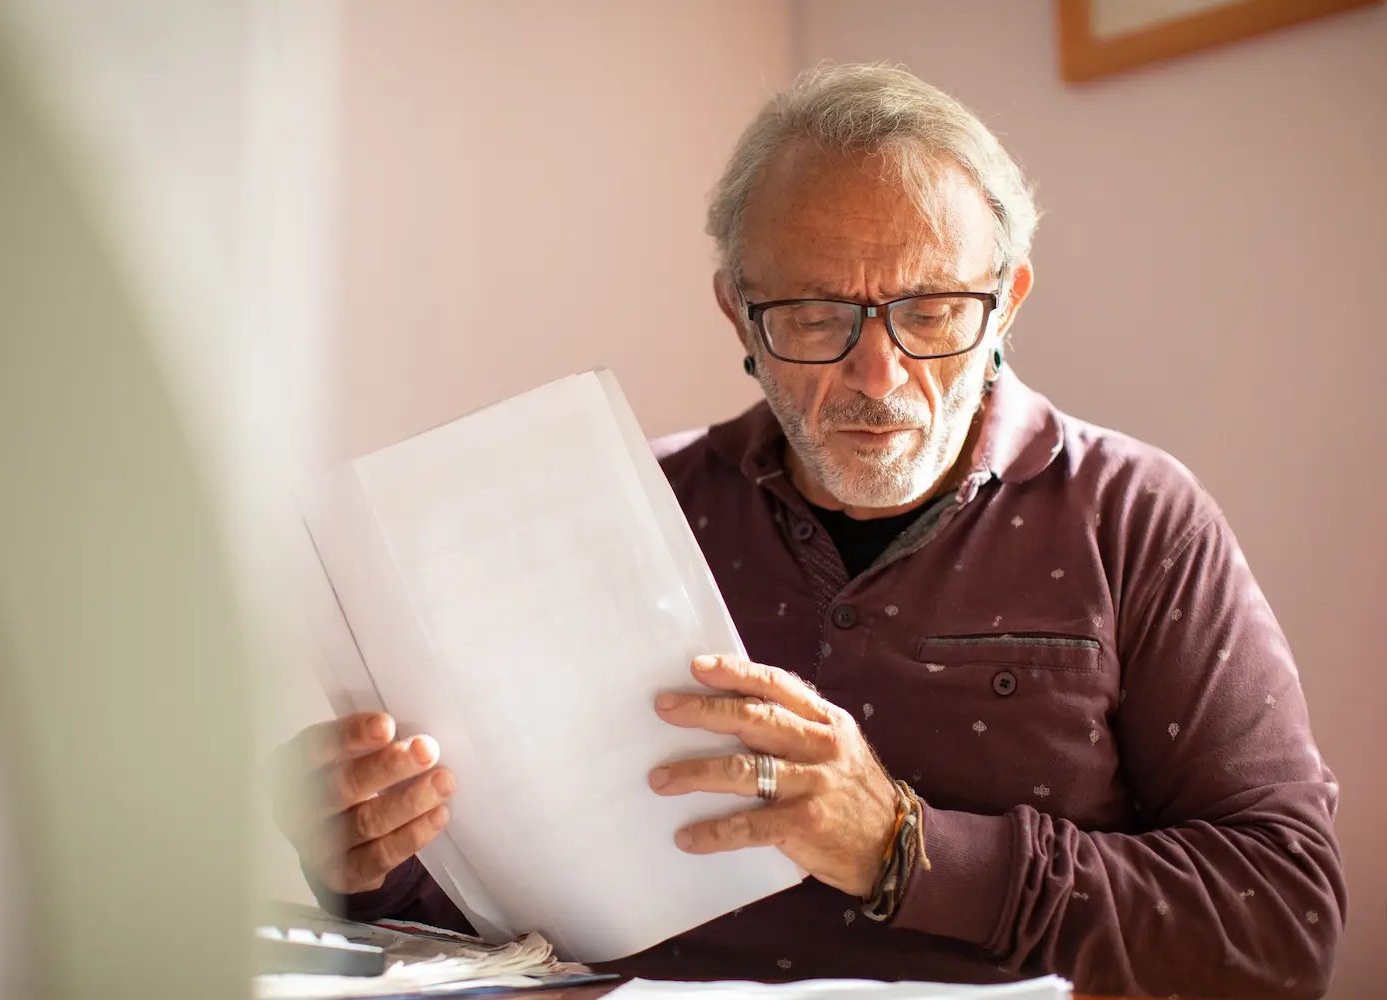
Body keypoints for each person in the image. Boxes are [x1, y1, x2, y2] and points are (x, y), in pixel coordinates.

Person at [269, 64, 1345, 998]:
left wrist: (901, 846)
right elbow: (502, 929)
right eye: (817, 316)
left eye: (932, 311)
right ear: (738, 312)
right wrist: (366, 858)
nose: (878, 375)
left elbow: (1285, 924)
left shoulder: (1135, 515)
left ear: (1007, 302)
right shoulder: (621, 509)